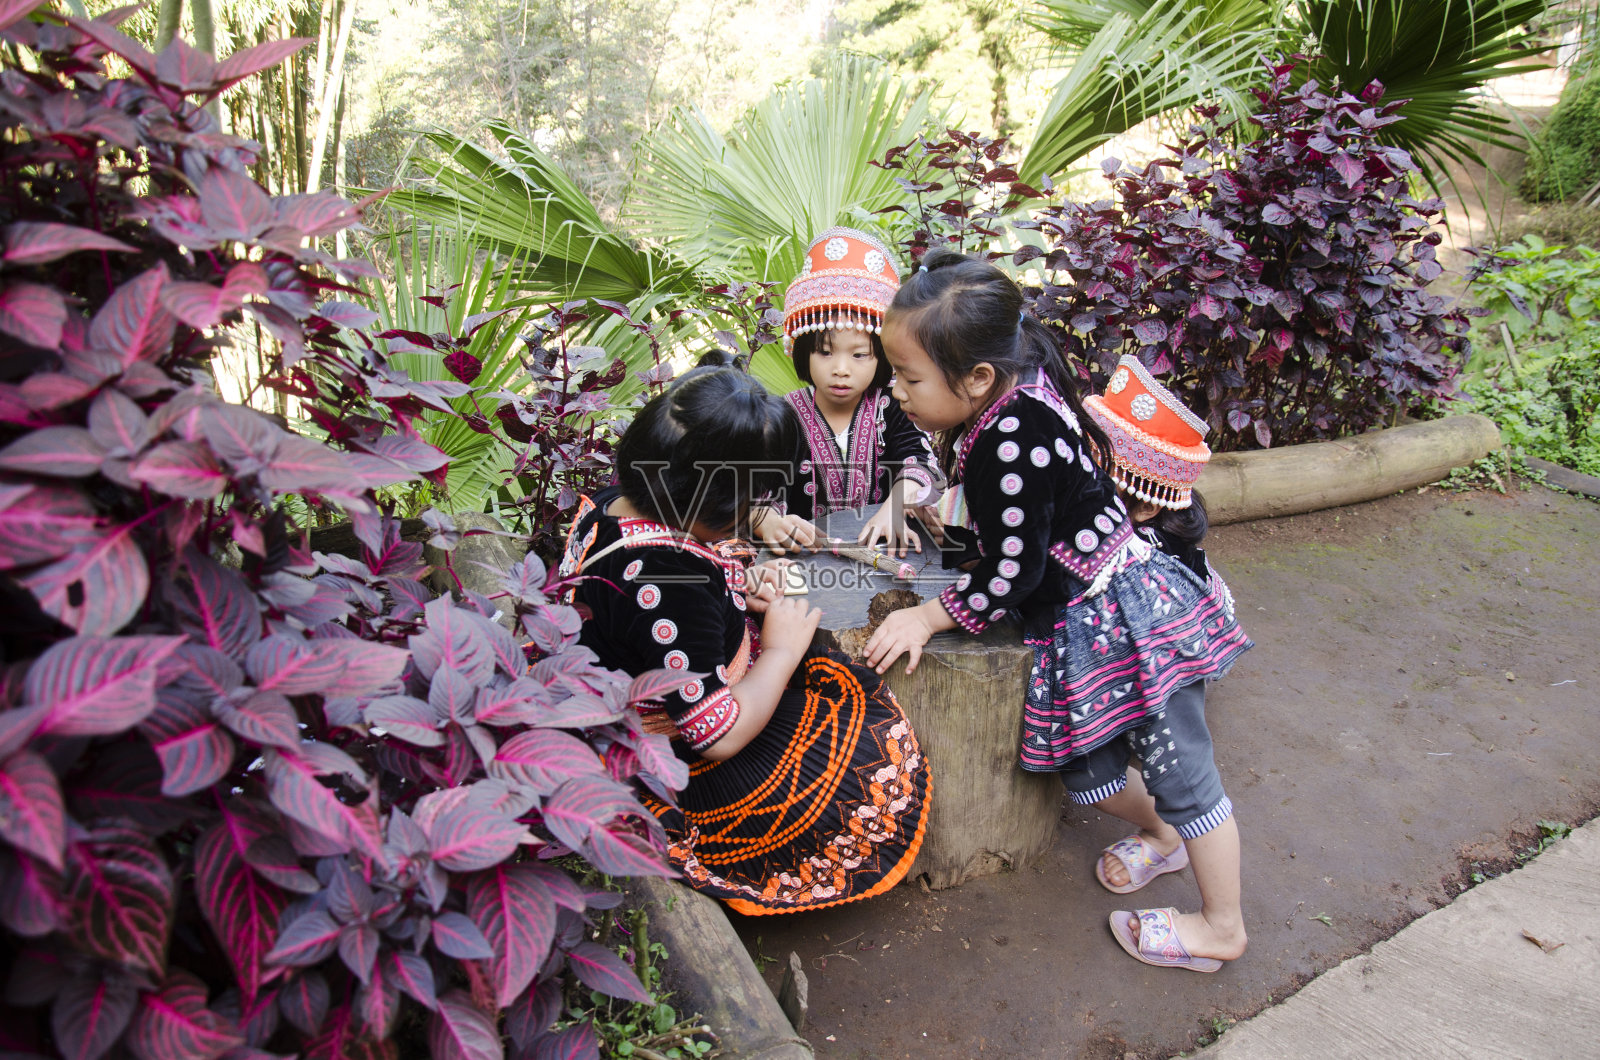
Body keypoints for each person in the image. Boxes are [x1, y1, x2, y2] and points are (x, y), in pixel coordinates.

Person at [862, 252, 1252, 970]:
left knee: (1184, 773)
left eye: (909, 377)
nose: (895, 391)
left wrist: (927, 616)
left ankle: (1222, 925)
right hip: (1074, 620)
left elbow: (1017, 568)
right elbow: (1017, 528)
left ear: (977, 378)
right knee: (1090, 771)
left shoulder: (1012, 434)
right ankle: (1165, 838)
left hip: (1125, 616)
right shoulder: (1008, 390)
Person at [560, 365, 933, 915]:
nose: (750, 517)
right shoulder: (667, 580)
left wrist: (732, 581)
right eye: (747, 504)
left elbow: (677, 585)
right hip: (673, 758)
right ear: (708, 507)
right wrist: (779, 651)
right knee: (855, 756)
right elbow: (715, 734)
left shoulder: (616, 499)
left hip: (627, 677)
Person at [753, 226, 944, 558]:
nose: (841, 369)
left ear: (882, 357)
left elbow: (921, 463)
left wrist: (895, 505)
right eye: (825, 352)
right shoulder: (783, 415)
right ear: (803, 353)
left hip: (886, 553)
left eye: (859, 355)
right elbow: (753, 491)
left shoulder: (892, 405)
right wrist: (765, 519)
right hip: (802, 564)